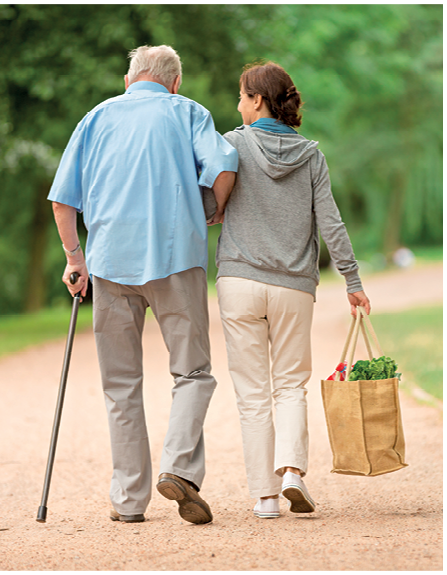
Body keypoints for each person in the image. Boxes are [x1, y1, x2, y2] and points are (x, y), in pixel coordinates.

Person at [48, 45, 238, 525]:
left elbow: (62, 202)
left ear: (129, 79)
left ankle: (129, 501)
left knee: (120, 385)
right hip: (176, 259)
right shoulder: (189, 112)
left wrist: (76, 259)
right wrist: (211, 210)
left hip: (111, 264)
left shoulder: (95, 118)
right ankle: (178, 468)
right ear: (174, 82)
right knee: (193, 373)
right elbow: (225, 166)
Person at [204, 61, 370, 519]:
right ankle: (293, 470)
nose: (237, 106)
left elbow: (207, 202)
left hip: (239, 281)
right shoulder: (312, 155)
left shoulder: (232, 144)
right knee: (290, 385)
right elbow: (330, 223)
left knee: (253, 393)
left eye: (241, 97)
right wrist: (351, 281)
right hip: (294, 286)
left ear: (257, 100)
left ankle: (264, 498)